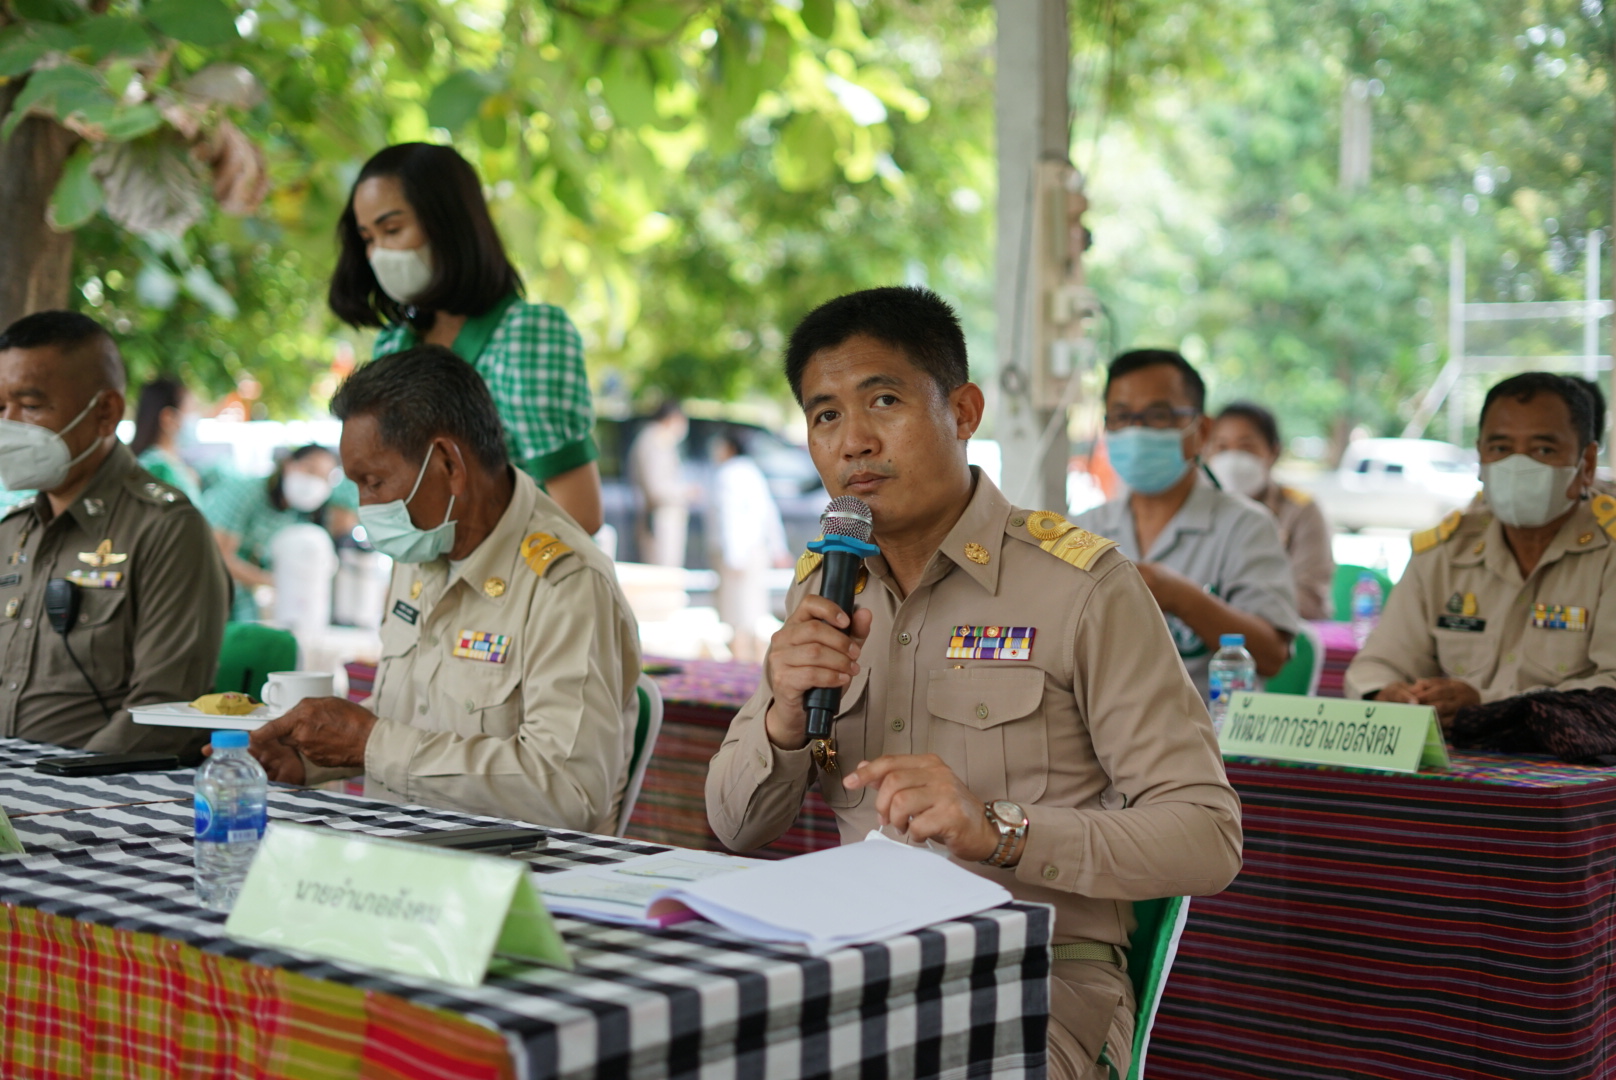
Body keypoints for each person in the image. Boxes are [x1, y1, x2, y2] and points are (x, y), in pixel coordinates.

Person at [705, 287, 1242, 1080]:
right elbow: (735, 826)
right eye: (824, 416)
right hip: (855, 965)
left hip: (1036, 977)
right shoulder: (826, 587)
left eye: (882, 400)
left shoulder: (1081, 588)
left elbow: (1208, 836)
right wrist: (784, 718)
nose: (853, 441)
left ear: (963, 411)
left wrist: (999, 830)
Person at [246, 345, 641, 830]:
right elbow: (414, 718)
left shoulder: (565, 584)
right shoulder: (426, 542)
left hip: (517, 882)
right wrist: (312, 758)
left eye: (373, 481)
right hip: (393, 854)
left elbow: (569, 792)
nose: (365, 506)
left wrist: (370, 742)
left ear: (449, 465)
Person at [328, 142, 604, 535]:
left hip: (521, 585)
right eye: (369, 238)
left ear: (448, 224)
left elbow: (580, 514)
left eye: (392, 229)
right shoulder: (393, 345)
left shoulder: (529, 337)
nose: (378, 254)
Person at [0, 311, 229, 754]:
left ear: (105, 412)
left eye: (29, 406)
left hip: (91, 798)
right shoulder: (12, 533)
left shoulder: (165, 528)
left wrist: (60, 782)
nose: (9, 426)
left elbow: (163, 710)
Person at [1345, 372, 1616, 723]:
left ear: (1587, 463)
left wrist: (1486, 705)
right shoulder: (1443, 553)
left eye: (1543, 450)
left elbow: (1611, 693)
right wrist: (1387, 693)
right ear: (1480, 458)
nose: (1518, 466)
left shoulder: (1609, 554)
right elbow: (1378, 664)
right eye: (1501, 449)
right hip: (1449, 767)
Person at [1071, 350, 1301, 695]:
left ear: (1201, 429)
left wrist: (1178, 596)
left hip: (1211, 740)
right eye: (1121, 417)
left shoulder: (1245, 527)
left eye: (1158, 415)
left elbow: (1271, 656)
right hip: (1102, 740)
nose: (1136, 431)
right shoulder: (1081, 531)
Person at [1207, 401, 1335, 619]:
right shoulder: (1195, 510)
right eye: (1221, 447)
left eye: (1246, 447)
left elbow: (1310, 596)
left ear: (1273, 451)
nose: (1233, 458)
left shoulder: (1301, 511)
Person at [201, 445, 349, 623]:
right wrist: (276, 581)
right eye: (310, 469)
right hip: (205, 586)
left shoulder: (299, 515)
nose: (314, 481)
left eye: (324, 477)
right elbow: (219, 557)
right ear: (288, 464)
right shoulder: (245, 492)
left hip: (241, 596)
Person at [708, 425, 788, 662]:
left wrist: (734, 555)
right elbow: (769, 514)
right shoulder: (753, 472)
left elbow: (729, 516)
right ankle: (758, 669)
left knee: (737, 619)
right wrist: (778, 548)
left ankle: (742, 669)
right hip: (755, 550)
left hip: (736, 554)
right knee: (753, 615)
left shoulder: (727, 474)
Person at [629, 401, 691, 566]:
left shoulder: (657, 439)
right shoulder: (655, 440)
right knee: (662, 576)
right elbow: (656, 489)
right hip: (659, 519)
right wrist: (685, 492)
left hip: (662, 518)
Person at [128, 376, 202, 504]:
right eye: (189, 411)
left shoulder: (173, 467)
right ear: (168, 418)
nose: (194, 418)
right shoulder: (156, 468)